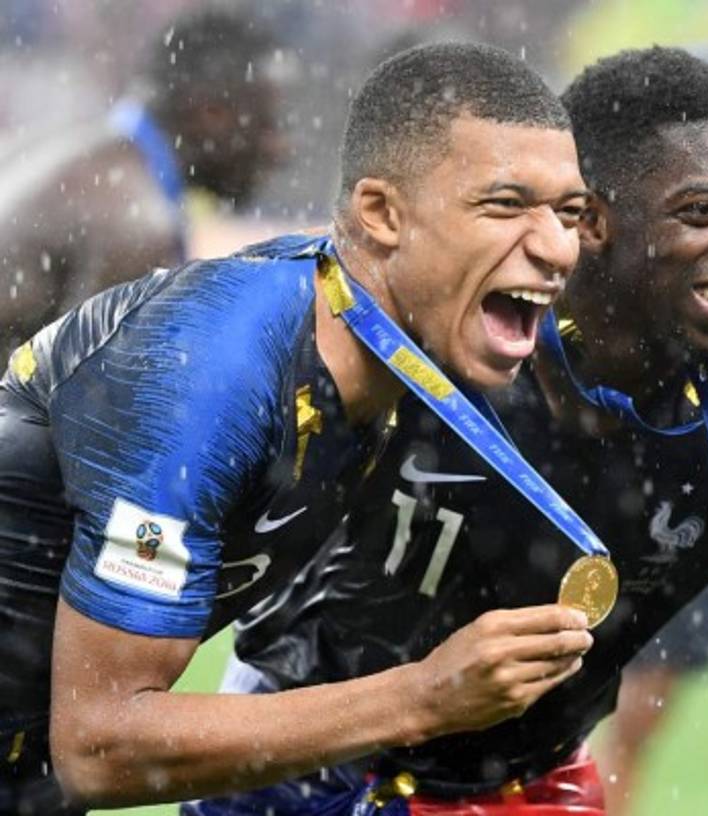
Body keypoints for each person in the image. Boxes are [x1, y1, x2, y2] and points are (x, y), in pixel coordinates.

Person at [194, 46, 708, 816]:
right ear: (591, 221)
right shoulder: (443, 334)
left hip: (528, 792)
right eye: (702, 212)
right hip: (301, 771)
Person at [0, 42, 596, 815]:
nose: (555, 249)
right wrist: (424, 697)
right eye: (505, 205)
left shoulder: (389, 338)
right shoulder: (210, 370)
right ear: (382, 214)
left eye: (571, 213)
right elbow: (100, 745)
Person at [0, 9, 288, 355]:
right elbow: (93, 403)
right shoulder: (134, 222)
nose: (280, 150)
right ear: (211, 115)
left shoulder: (78, 154)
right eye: (267, 124)